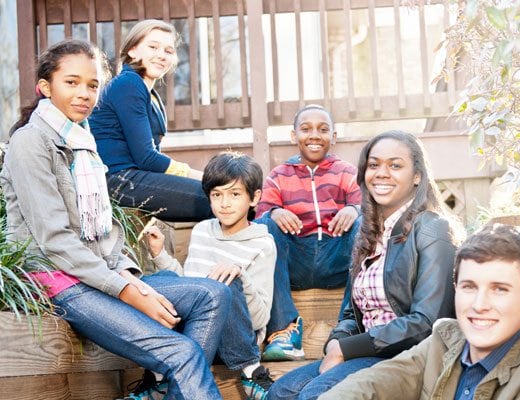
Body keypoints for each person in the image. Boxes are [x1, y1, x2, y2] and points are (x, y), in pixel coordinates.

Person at [2, 39, 229, 400]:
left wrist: (128, 277)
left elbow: (104, 232)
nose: (84, 93)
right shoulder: (31, 142)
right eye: (71, 82)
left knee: (213, 294)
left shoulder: (85, 144)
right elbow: (54, 240)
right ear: (45, 87)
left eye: (93, 85)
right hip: (60, 281)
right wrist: (128, 292)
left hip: (97, 275)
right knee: (181, 352)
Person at [268, 130, 464, 399]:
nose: (382, 173)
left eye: (395, 165)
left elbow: (428, 322)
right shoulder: (369, 233)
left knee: (316, 394)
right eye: (374, 165)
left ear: (417, 176)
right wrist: (337, 341)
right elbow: (351, 313)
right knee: (280, 392)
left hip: (410, 357)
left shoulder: (432, 229)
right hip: (366, 351)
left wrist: (349, 349)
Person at [318, 224, 520, 400]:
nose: (480, 304)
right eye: (469, 287)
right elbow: (371, 384)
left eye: (499, 289)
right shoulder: (445, 340)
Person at [152, 152, 277, 399]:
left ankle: (251, 372)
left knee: (223, 285)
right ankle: (158, 379)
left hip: (235, 341)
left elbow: (261, 317)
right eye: (217, 195)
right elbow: (188, 285)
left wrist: (240, 276)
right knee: (156, 281)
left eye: (235, 194)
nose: (225, 203)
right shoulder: (202, 231)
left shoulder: (262, 244)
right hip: (195, 331)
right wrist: (160, 255)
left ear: (254, 198)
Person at [255, 104, 362, 361]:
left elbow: (367, 206)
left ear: (333, 137)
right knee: (265, 225)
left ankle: (349, 326)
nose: (314, 135)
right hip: (295, 262)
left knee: (363, 223)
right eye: (306, 129)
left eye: (323, 129)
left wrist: (355, 209)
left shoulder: (347, 172)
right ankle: (284, 330)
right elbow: (259, 216)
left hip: (337, 258)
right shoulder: (278, 176)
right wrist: (275, 213)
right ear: (294, 136)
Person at [89, 19, 211, 222]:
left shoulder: (151, 94)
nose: (161, 55)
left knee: (227, 199)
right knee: (220, 198)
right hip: (116, 180)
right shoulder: (129, 84)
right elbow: (147, 157)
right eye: (153, 47)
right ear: (133, 50)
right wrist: (209, 179)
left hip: (135, 177)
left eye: (168, 50)